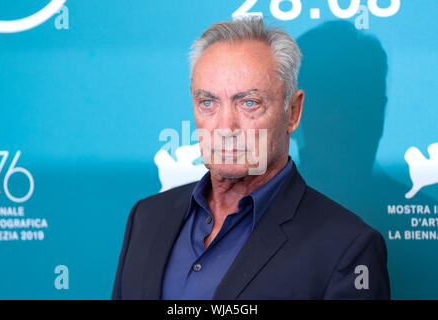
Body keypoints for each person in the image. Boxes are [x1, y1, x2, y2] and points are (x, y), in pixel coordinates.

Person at [112, 17, 390, 300]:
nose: (225, 127)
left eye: (249, 103)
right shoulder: (146, 218)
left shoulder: (347, 247)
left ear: (292, 112)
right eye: (208, 102)